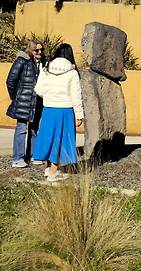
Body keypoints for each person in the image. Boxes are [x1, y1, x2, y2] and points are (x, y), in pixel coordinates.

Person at [32, 43, 84, 182]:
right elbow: (76, 95)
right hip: (65, 110)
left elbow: (38, 90)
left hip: (48, 109)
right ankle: (53, 173)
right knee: (60, 140)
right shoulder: (72, 72)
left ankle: (49, 168)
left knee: (49, 137)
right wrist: (79, 115)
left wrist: (50, 96)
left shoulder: (46, 69)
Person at [6, 39, 45, 168]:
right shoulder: (22, 61)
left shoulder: (44, 62)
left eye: (41, 49)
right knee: (21, 129)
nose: (40, 52)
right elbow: (10, 80)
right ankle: (18, 158)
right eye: (36, 50)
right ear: (30, 50)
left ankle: (34, 155)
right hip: (23, 101)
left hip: (37, 101)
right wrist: (16, 97)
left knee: (35, 129)